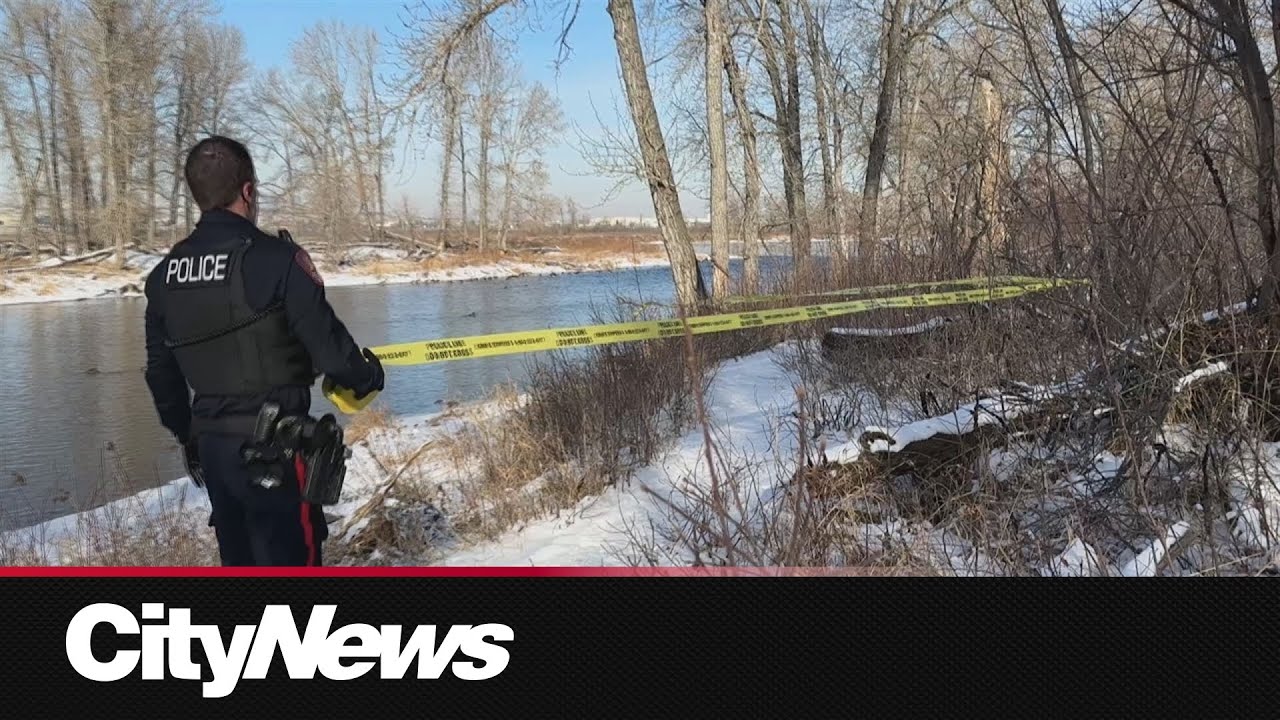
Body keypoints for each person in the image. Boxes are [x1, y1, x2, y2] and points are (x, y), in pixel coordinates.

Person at [143, 135, 384, 566]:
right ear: (249, 192)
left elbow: (161, 374)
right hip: (278, 449)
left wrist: (188, 435)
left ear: (197, 195)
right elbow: (332, 353)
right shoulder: (278, 259)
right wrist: (367, 375)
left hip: (214, 451)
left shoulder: (164, 276)